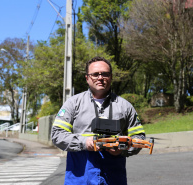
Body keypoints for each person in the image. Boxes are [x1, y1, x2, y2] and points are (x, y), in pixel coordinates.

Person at [51, 56, 145, 185]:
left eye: (105, 74)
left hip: (114, 178)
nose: (100, 78)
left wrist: (122, 149)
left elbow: (139, 138)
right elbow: (57, 135)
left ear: (111, 77)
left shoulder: (125, 106)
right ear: (87, 78)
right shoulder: (73, 103)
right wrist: (84, 142)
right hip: (80, 178)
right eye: (95, 74)